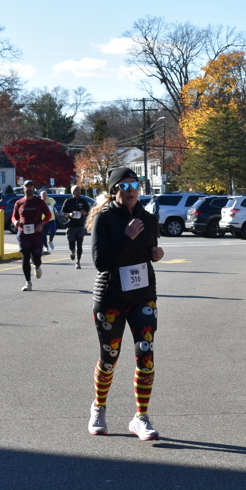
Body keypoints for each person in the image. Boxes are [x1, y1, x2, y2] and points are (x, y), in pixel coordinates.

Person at [86, 167, 165, 440]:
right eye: (125, 185)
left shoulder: (149, 219)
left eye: (135, 185)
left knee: (146, 353)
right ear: (114, 190)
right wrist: (126, 236)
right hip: (111, 298)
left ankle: (141, 417)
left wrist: (156, 254)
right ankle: (99, 408)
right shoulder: (104, 219)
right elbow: (101, 262)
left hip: (143, 296)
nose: (131, 190)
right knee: (109, 358)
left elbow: (148, 252)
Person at [10, 180, 52, 292]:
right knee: (25, 258)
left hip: (36, 234)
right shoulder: (19, 203)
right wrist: (15, 222)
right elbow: (13, 216)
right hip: (23, 234)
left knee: (36, 257)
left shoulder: (39, 202)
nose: (28, 188)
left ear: (33, 188)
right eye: (26, 186)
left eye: (30, 186)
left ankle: (37, 265)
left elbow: (48, 215)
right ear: (23, 188)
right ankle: (28, 283)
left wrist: (41, 224)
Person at [62, 185, 91, 269]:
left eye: (79, 190)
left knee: (79, 245)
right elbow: (63, 212)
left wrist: (85, 212)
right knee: (71, 243)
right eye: (76, 190)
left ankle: (78, 262)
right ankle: (72, 251)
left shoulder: (83, 201)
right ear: (73, 192)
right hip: (71, 225)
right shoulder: (68, 201)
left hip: (80, 225)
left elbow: (89, 211)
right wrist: (69, 214)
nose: (79, 192)